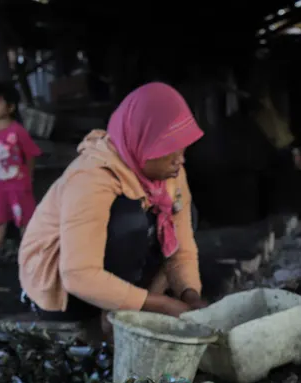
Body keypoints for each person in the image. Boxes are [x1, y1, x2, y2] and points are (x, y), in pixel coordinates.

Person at [19, 82, 206, 324]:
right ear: (142, 142)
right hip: (66, 293)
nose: (179, 160)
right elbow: (78, 275)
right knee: (130, 218)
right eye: (169, 149)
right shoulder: (91, 176)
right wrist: (160, 304)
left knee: (185, 212)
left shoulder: (170, 175)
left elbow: (182, 247)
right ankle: (114, 314)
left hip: (120, 280)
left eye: (182, 149)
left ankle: (127, 304)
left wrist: (189, 294)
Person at [0, 82, 42, 267]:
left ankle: (30, 260)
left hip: (18, 184)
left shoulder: (18, 131)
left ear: (11, 107)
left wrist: (28, 177)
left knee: (25, 222)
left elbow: (32, 154)